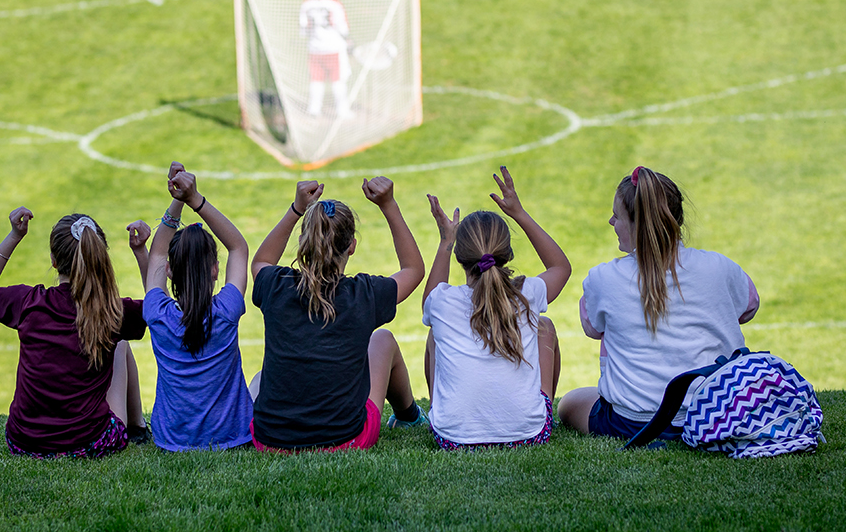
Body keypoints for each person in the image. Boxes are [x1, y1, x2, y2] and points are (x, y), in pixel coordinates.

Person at [557, 167, 761, 442]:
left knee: (568, 403)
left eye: (617, 216)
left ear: (636, 226)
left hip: (633, 423)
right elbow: (748, 309)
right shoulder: (720, 267)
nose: (610, 222)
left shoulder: (602, 278)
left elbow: (592, 328)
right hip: (717, 415)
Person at [248, 177, 428, 451]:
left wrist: (296, 209)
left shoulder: (276, 285)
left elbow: (261, 262)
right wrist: (388, 205)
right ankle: (408, 417)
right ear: (352, 246)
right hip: (347, 440)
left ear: (303, 241)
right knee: (382, 340)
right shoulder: (363, 294)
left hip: (269, 442)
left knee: (259, 379)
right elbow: (413, 270)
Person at [0, 208, 152, 458]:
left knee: (117, 339)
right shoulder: (114, 311)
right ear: (101, 256)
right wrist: (141, 252)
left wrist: (14, 236)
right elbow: (158, 308)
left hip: (23, 443)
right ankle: (137, 427)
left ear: (54, 261)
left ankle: (137, 426)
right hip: (91, 443)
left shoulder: (29, 302)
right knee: (120, 343)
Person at [421, 167, 571, 450]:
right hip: (528, 436)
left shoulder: (442, 302)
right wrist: (520, 214)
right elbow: (561, 268)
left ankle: (443, 411)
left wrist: (444, 242)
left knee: (434, 335)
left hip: (452, 439)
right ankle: (539, 410)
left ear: (459, 257)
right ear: (508, 253)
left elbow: (428, 303)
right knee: (545, 327)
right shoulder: (527, 292)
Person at [141, 163, 255, 451]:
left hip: (172, 440)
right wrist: (194, 199)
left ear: (169, 271)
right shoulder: (227, 310)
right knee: (261, 380)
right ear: (216, 270)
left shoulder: (156, 313)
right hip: (233, 438)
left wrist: (177, 201)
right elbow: (238, 247)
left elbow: (155, 253)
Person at [299, 0, 353, 120]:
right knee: (338, 80)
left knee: (316, 80)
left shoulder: (306, 4)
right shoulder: (335, 4)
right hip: (334, 49)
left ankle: (314, 109)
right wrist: (348, 41)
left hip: (315, 50)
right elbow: (343, 27)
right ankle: (342, 111)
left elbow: (303, 29)